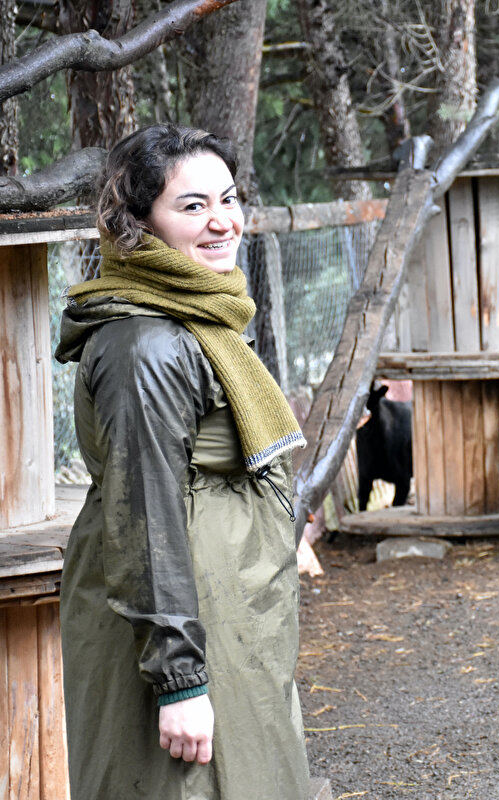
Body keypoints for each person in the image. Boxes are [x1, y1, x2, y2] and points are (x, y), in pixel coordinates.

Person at [54, 124, 311, 799]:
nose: (222, 221)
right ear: (138, 224)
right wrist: (180, 682)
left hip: (228, 611)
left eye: (228, 199)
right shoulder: (147, 345)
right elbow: (145, 516)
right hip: (178, 623)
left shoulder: (197, 318)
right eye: (192, 206)